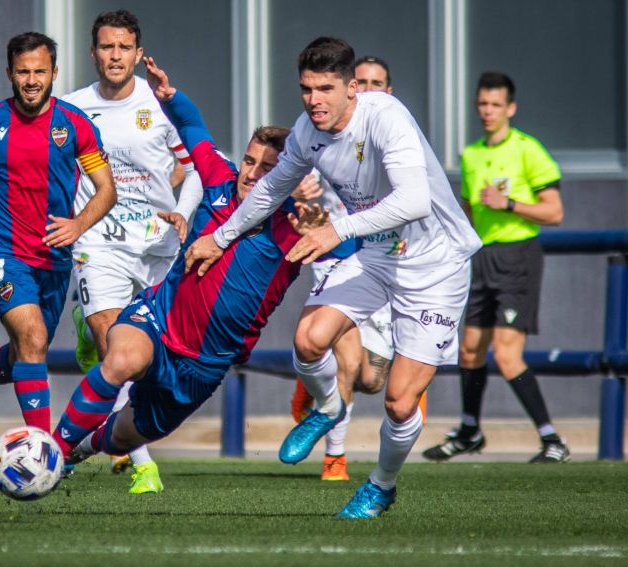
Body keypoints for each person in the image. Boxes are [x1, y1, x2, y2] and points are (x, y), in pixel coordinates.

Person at [185, 37, 482, 519]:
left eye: (325, 89)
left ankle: (381, 486)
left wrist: (335, 230)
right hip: (376, 255)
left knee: (399, 402)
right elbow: (271, 189)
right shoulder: (307, 131)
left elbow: (414, 201)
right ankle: (327, 407)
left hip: (435, 265)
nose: (314, 100)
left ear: (351, 88)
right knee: (308, 339)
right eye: (306, 89)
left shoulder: (386, 117)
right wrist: (220, 238)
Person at [51, 56, 336, 472]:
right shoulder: (219, 179)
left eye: (267, 168)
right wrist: (171, 97)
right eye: (249, 161)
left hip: (205, 363)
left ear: (288, 177)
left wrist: (324, 233)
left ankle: (82, 448)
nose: (251, 173)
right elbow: (193, 129)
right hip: (158, 318)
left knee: (128, 433)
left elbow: (346, 255)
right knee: (120, 359)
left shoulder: (295, 224)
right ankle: (52, 452)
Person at [0, 32, 116, 437]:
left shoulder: (75, 125)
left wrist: (78, 224)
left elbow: (107, 189)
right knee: (32, 337)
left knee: (30, 348)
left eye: (39, 71)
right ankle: (42, 450)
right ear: (9, 74)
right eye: (22, 72)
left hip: (54, 256)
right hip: (1, 250)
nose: (31, 80)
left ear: (54, 72)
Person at [60, 10, 203, 494]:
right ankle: (143, 464)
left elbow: (194, 168)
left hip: (158, 246)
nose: (115, 56)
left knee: (158, 363)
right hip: (98, 243)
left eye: (124, 47)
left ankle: (104, 431)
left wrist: (182, 211)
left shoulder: (160, 104)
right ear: (93, 53)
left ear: (139, 54)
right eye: (107, 47)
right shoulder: (72, 108)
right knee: (115, 349)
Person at [423, 72, 569, 464]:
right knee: (469, 350)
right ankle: (469, 430)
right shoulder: (471, 155)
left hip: (517, 257)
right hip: (482, 258)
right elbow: (469, 212)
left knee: (506, 354)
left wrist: (510, 205)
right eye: (482, 104)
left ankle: (552, 439)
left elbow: (554, 212)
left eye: (495, 105)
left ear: (510, 108)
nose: (487, 111)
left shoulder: (528, 150)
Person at [288, 55, 397, 482]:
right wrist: (298, 193)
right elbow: (287, 182)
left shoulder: (394, 135)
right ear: (351, 88)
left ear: (388, 92)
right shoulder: (321, 133)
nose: (367, 90)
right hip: (338, 261)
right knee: (345, 363)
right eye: (361, 82)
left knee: (371, 379)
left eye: (376, 83)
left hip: (387, 263)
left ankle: (312, 383)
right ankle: (335, 457)